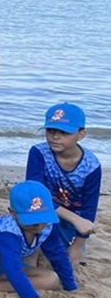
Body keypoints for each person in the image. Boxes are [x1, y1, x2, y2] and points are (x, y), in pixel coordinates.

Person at [25, 103, 101, 265]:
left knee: (62, 257)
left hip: (72, 215)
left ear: (81, 134)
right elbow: (35, 193)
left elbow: (89, 207)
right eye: (50, 130)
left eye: (64, 132)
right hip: (43, 210)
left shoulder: (91, 166)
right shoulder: (39, 153)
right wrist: (75, 219)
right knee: (27, 207)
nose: (55, 137)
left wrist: (78, 244)